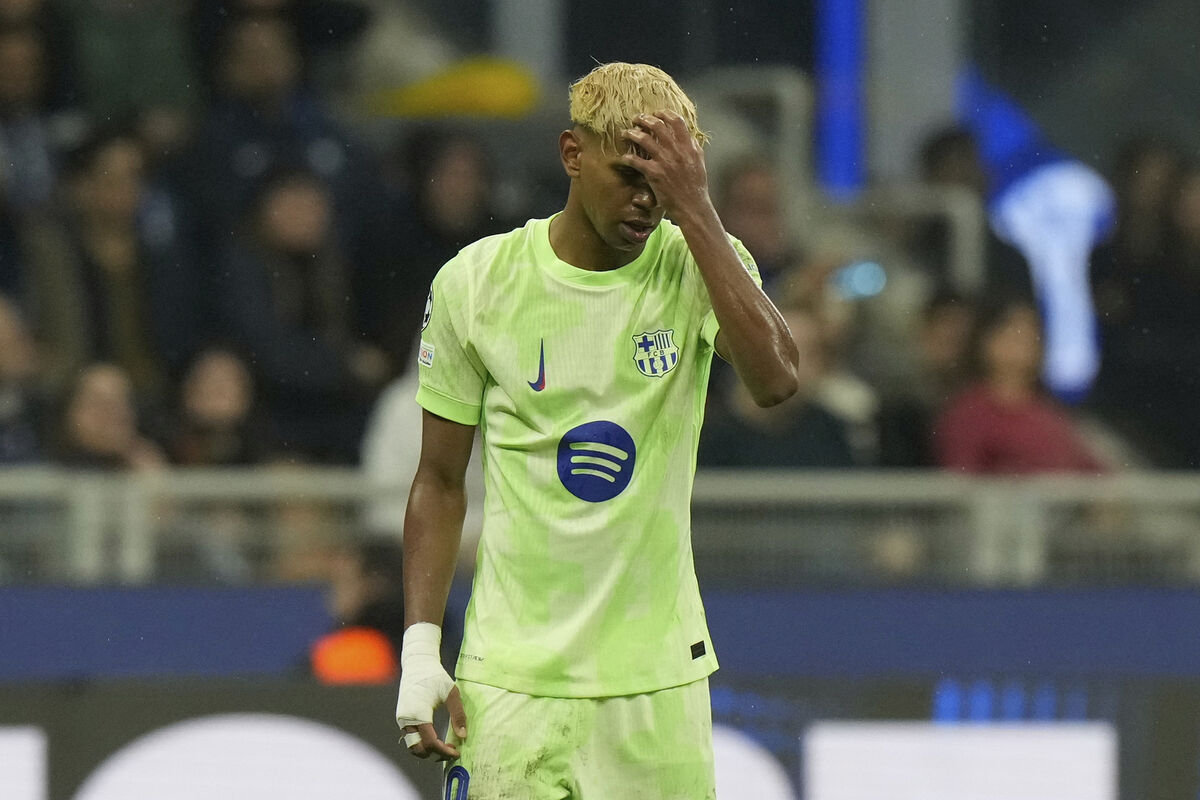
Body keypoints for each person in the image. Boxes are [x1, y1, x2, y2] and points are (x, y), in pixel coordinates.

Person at [393, 62, 799, 798]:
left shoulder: (700, 262)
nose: (648, 202)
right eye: (629, 177)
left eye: (665, 183)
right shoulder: (475, 284)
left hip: (659, 685)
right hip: (511, 682)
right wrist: (421, 651)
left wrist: (698, 212)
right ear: (572, 154)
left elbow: (776, 380)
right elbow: (440, 480)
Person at [933, 299, 1105, 475]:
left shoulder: (1049, 412)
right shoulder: (967, 412)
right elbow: (961, 483)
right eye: (1011, 333)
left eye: (1030, 335)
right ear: (984, 340)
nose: (1022, 344)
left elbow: (1094, 474)